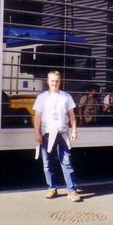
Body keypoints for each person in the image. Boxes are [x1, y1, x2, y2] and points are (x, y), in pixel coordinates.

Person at [33, 70, 82, 202]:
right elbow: (37, 117)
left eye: (57, 81)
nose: (54, 83)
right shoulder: (42, 97)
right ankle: (52, 188)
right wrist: (36, 132)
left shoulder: (66, 97)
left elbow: (72, 115)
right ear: (47, 81)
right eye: (52, 81)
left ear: (60, 82)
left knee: (66, 162)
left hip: (62, 132)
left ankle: (72, 191)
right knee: (47, 162)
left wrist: (74, 130)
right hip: (46, 133)